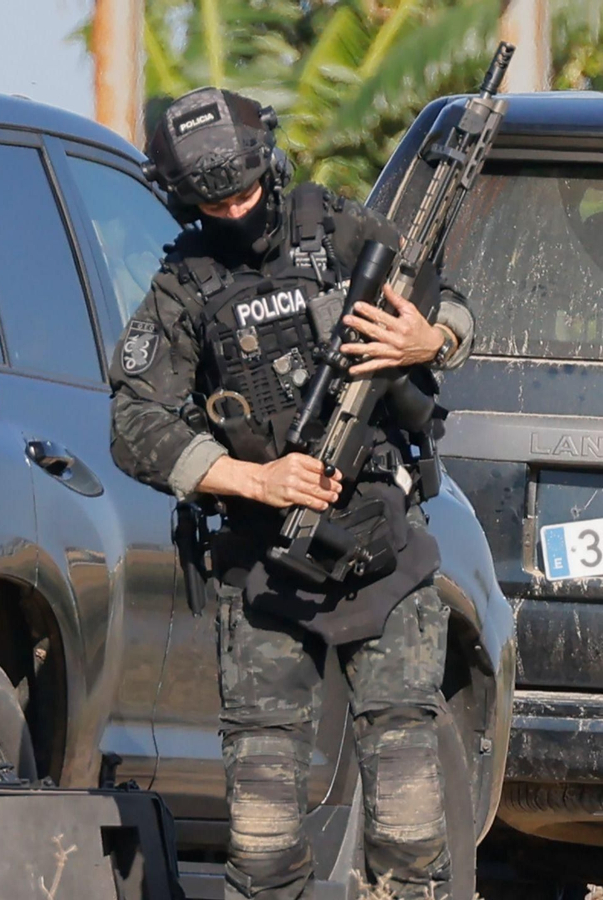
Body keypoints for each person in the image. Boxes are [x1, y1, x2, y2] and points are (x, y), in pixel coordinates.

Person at [109, 88, 475, 900]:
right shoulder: (183, 287)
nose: (236, 211)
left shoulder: (338, 230)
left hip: (384, 549)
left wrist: (429, 338)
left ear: (267, 166)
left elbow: (447, 298)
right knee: (264, 839)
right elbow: (134, 421)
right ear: (184, 201)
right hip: (263, 566)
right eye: (215, 203)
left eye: (245, 191)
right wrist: (254, 479)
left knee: (409, 824)